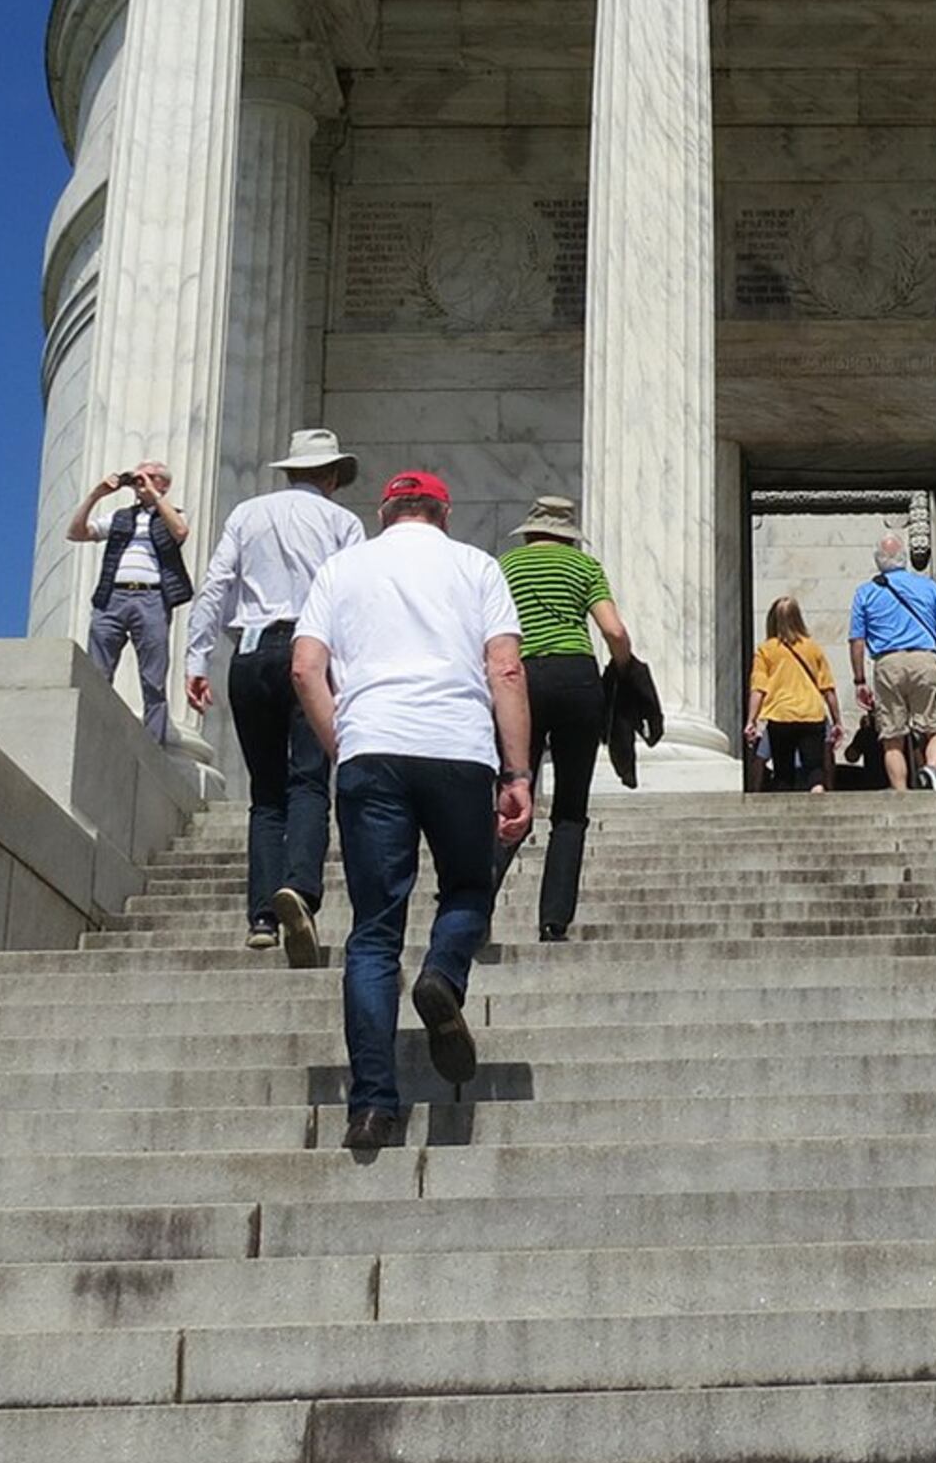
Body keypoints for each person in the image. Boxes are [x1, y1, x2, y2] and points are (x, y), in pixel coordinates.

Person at [290, 470, 533, 1153]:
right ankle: (443, 974)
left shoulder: (343, 568)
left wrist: (346, 744)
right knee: (466, 885)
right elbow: (507, 669)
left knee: (373, 931)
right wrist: (517, 773)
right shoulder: (476, 566)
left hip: (372, 749)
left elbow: (305, 667)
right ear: (443, 513)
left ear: (385, 510)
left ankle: (371, 1106)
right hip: (458, 748)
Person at [177, 430, 365, 963]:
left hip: (251, 655)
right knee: (309, 780)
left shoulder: (246, 514)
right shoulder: (342, 522)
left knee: (266, 793)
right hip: (310, 654)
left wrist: (197, 660)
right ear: (330, 475)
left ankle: (261, 916)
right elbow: (353, 601)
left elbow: (215, 586)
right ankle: (300, 892)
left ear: (289, 471)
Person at [496, 495, 634, 941]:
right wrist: (624, 667)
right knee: (570, 812)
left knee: (512, 798)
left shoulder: (507, 566)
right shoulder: (584, 567)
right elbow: (613, 630)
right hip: (578, 679)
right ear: (569, 534)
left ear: (531, 529)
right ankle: (554, 921)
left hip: (525, 678)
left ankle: (473, 907)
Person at [65, 460, 190, 743]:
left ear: (164, 484)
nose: (140, 481)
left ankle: (153, 743)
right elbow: (76, 533)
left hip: (152, 598)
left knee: (153, 677)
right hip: (113, 597)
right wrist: (95, 495)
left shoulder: (173, 514)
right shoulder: (120, 517)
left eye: (150, 476)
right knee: (97, 672)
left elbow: (180, 532)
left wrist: (156, 498)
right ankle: (94, 733)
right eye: (137, 476)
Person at [848, 531, 936, 790]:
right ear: (904, 558)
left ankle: (901, 792)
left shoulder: (865, 593)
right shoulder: (929, 586)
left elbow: (857, 641)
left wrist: (859, 680)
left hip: (888, 664)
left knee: (892, 737)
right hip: (925, 659)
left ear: (878, 561)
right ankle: (930, 770)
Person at [746, 596, 836, 794]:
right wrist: (837, 721)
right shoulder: (813, 648)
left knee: (783, 772)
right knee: (815, 771)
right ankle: (819, 803)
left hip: (781, 715)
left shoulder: (766, 650)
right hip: (812, 714)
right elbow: (828, 687)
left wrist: (751, 720)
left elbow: (758, 688)